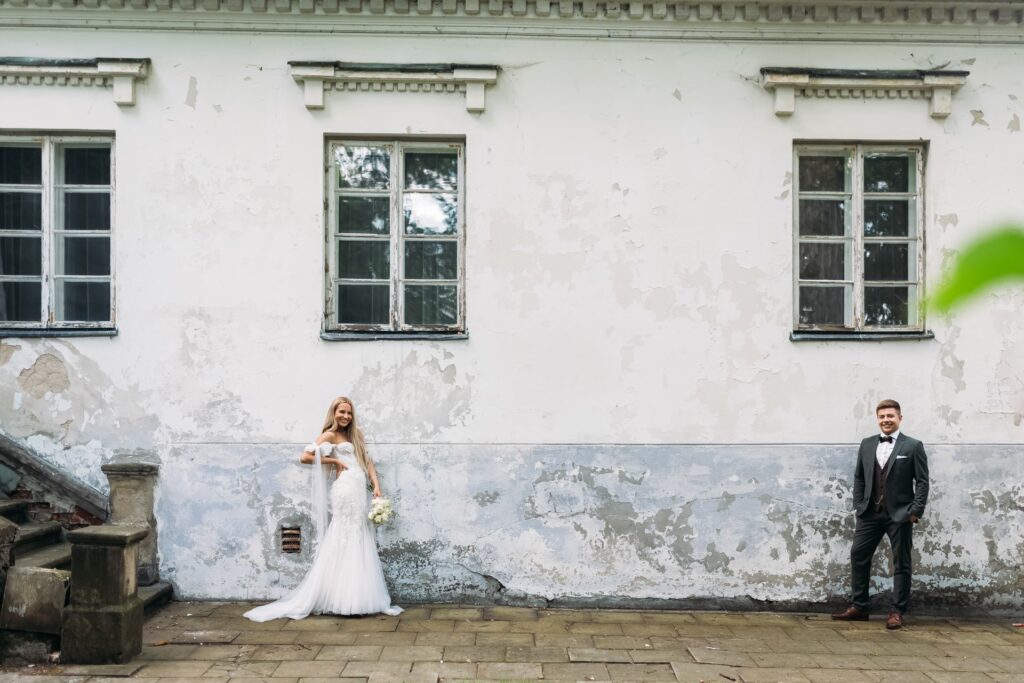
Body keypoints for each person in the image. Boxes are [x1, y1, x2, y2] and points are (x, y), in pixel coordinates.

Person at [244, 396, 402, 621]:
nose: (345, 416)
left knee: (359, 535)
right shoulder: (330, 434)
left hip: (358, 490)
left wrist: (376, 485)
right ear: (334, 413)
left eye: (349, 412)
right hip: (345, 490)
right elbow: (305, 456)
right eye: (341, 412)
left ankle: (357, 596)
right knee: (345, 534)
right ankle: (341, 599)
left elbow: (367, 461)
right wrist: (335, 462)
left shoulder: (357, 434)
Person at [832, 399, 929, 629]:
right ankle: (860, 606)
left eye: (890, 416)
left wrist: (915, 511)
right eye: (882, 416)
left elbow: (922, 481)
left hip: (900, 514)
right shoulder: (867, 444)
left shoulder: (913, 446)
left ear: (899, 418)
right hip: (869, 513)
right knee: (858, 554)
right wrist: (859, 505)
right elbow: (859, 476)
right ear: (878, 419)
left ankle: (897, 611)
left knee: (901, 562)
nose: (886, 420)